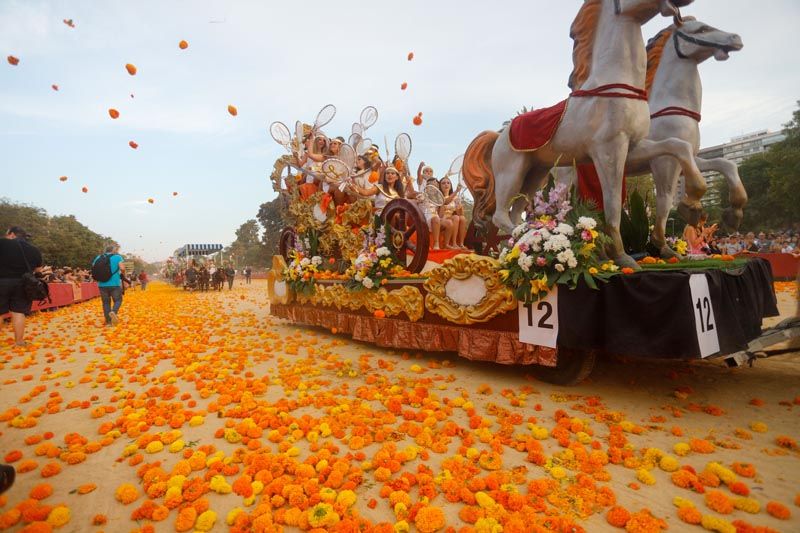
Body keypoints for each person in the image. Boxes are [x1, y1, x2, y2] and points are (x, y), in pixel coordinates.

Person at [0, 226, 43, 346]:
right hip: (22, 283)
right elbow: (38, 269)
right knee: (18, 312)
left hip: (1, 281)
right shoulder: (33, 249)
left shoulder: (2, 243)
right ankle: (19, 341)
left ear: (11, 234)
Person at [92, 244, 125, 326]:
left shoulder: (98, 257)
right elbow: (122, 268)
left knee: (106, 303)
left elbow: (93, 268)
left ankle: (108, 322)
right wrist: (122, 274)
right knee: (118, 300)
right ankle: (113, 312)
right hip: (114, 283)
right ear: (114, 250)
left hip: (102, 284)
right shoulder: (117, 257)